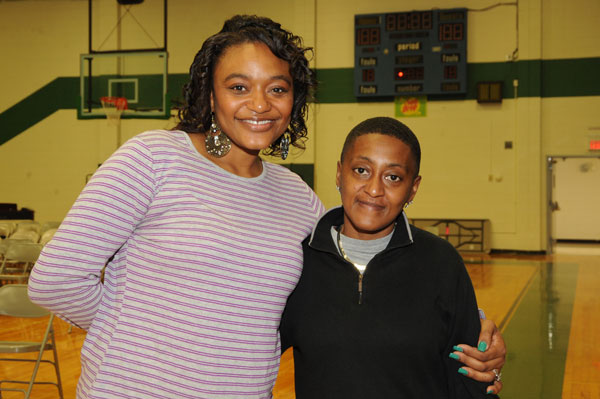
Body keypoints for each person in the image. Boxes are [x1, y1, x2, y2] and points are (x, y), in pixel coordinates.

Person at [28, 15, 503, 399]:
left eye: (277, 88)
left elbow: (361, 265)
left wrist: (473, 328)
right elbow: (57, 278)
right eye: (238, 87)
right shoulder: (152, 158)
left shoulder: (295, 196)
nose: (260, 104)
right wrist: (136, 330)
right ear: (209, 94)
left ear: (293, 100)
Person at [280, 116, 503, 398]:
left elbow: (474, 373)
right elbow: (248, 347)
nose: (374, 189)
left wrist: (490, 361)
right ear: (339, 174)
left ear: (413, 188)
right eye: (361, 170)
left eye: (393, 177)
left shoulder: (441, 262)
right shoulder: (298, 261)